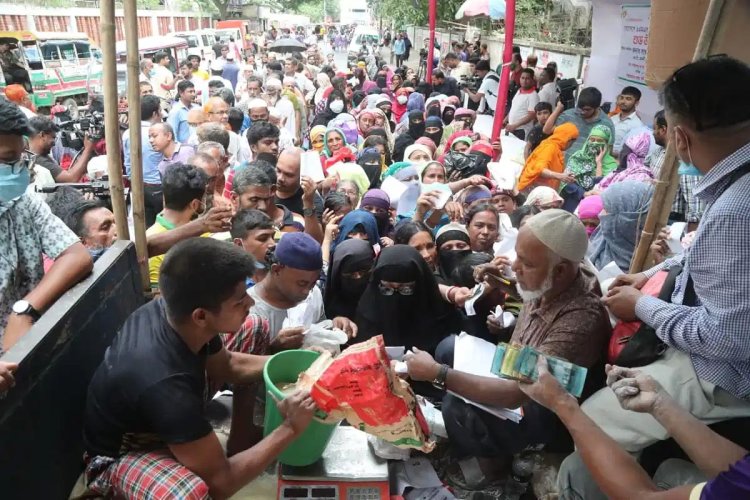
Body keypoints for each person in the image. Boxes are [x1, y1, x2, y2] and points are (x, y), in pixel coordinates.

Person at [562, 56, 750, 499]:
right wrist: (648, 273)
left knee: (592, 426)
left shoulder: (734, 210)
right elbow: (707, 261)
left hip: (723, 371)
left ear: (680, 138)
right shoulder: (733, 194)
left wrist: (642, 305)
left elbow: (729, 338)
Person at [82, 238, 317, 499]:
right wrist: (291, 427)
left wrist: (308, 369)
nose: (250, 304)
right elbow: (221, 483)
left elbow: (228, 365)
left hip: (165, 416)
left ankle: (238, 442)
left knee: (254, 326)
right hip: (121, 455)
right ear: (201, 316)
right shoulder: (165, 385)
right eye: (239, 301)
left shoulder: (176, 314)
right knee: (190, 493)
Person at [404, 210, 610, 486]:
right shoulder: (560, 275)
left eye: (525, 264)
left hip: (541, 408)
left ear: (560, 270)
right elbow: (537, 294)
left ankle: (495, 470)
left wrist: (437, 375)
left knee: (456, 403)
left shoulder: (581, 319)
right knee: (449, 348)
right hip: (517, 364)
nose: (515, 267)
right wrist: (500, 282)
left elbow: (517, 395)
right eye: (517, 257)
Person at [0, 101, 93, 351]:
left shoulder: (23, 201)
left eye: (21, 158)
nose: (18, 170)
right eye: (8, 160)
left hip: (32, 344)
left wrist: (25, 311)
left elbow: (76, 256)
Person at [249, 232, 357, 351]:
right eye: (302, 283)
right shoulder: (249, 310)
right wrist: (274, 349)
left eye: (313, 283)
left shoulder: (313, 293)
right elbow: (237, 365)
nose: (307, 291)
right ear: (277, 270)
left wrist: (334, 325)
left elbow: (316, 328)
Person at [355, 245, 459, 355]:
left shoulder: (440, 314)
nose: (395, 296)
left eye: (406, 289)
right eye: (386, 289)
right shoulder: (367, 314)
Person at [146, 162, 208, 291]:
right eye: (205, 196)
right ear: (195, 204)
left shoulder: (149, 237)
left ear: (164, 196)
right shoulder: (152, 245)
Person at [587, 181, 653, 272]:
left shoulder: (653, 266)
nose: (600, 214)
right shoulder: (602, 240)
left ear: (628, 219)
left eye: (606, 209)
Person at [543, 87, 615, 162]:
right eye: (580, 108)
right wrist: (558, 109)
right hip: (562, 166)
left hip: (588, 170)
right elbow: (547, 130)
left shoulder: (607, 123)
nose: (582, 112)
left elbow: (608, 152)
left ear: (596, 107)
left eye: (587, 110)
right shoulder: (569, 114)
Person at [124, 94, 164, 227]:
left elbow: (128, 161)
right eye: (160, 110)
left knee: (145, 226)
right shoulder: (160, 132)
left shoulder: (127, 133)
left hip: (138, 185)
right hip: (158, 186)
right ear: (155, 113)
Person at [562, 124, 619, 211]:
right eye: (592, 139)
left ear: (606, 144)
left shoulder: (612, 164)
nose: (595, 143)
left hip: (594, 207)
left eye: (599, 140)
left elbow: (601, 187)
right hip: (573, 202)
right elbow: (566, 181)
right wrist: (584, 193)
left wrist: (599, 163)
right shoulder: (578, 157)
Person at [28, 116, 95, 183]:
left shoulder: (37, 156)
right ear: (42, 135)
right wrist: (88, 149)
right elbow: (70, 179)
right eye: (53, 138)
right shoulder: (39, 161)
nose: (54, 144)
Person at [517, 122, 579, 192]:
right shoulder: (550, 147)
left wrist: (565, 176)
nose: (571, 145)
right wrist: (560, 176)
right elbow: (540, 169)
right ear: (568, 140)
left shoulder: (556, 148)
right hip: (533, 190)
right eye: (572, 143)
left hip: (542, 190)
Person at [323, 238, 375, 321]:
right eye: (352, 275)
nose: (358, 278)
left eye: (363, 272)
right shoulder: (323, 305)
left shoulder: (383, 299)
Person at [230, 208, 276, 285]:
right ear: (239, 244)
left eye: (273, 237)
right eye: (263, 239)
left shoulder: (283, 272)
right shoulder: (230, 282)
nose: (272, 244)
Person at [504, 68, 540, 140]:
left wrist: (514, 125)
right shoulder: (519, 90)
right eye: (522, 78)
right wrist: (505, 120)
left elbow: (531, 116)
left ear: (532, 80)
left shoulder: (533, 95)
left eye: (527, 78)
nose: (524, 81)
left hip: (521, 131)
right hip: (511, 127)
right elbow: (513, 108)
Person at [610, 86, 644, 157]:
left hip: (619, 164)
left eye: (628, 99)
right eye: (622, 98)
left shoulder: (638, 126)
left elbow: (632, 153)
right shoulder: (612, 119)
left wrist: (609, 153)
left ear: (636, 103)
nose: (623, 101)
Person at [168, 80, 199, 144]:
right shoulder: (176, 111)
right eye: (190, 92)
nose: (193, 94)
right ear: (181, 93)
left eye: (194, 91)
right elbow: (172, 133)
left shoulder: (197, 108)